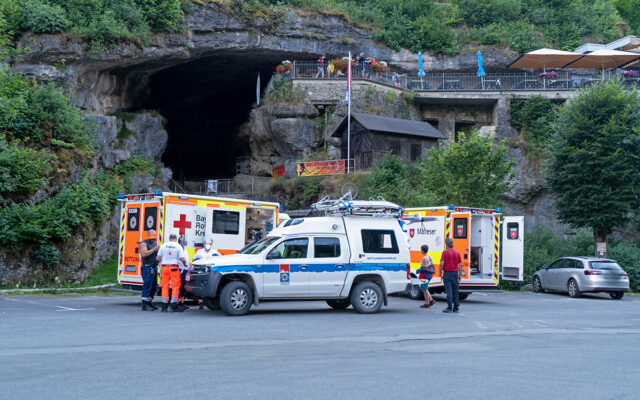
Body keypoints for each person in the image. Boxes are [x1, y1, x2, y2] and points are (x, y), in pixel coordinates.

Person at [156, 233, 188, 312]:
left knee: (164, 286)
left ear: (169, 238)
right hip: (173, 268)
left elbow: (157, 258)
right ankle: (173, 306)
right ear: (176, 239)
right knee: (175, 286)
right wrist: (185, 264)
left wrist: (161, 262)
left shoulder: (163, 245)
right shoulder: (178, 246)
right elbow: (182, 258)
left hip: (164, 268)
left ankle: (164, 307)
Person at [440, 237, 462, 313]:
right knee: (455, 291)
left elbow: (442, 263)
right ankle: (456, 307)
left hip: (447, 273)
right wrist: (460, 274)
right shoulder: (457, 252)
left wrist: (440, 272)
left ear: (447, 244)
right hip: (455, 273)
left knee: (449, 291)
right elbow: (460, 264)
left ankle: (449, 307)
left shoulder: (445, 252)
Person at [139, 229, 159, 311]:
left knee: (153, 286)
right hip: (147, 267)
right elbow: (144, 254)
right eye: (152, 237)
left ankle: (149, 302)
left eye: (154, 237)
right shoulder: (144, 244)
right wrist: (154, 249)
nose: (153, 239)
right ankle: (145, 304)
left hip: (154, 267)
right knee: (147, 286)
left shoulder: (154, 243)